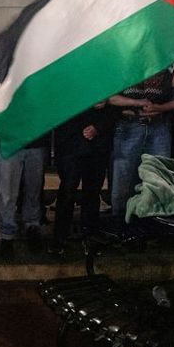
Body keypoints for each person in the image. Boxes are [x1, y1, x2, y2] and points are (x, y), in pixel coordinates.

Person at [108, 67, 174, 218]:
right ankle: (120, 225)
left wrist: (160, 107)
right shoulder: (125, 62)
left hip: (159, 126)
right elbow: (110, 97)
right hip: (129, 125)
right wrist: (137, 102)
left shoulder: (170, 66)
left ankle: (153, 224)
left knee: (159, 179)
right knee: (123, 180)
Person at [46, 103, 113, 257]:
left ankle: (90, 234)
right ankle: (60, 238)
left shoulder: (102, 79)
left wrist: (98, 127)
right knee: (67, 191)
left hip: (97, 145)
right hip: (70, 142)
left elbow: (112, 108)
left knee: (92, 192)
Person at [0, 135, 49, 261]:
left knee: (34, 190)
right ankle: (7, 235)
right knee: (7, 194)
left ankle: (32, 226)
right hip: (9, 141)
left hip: (37, 141)